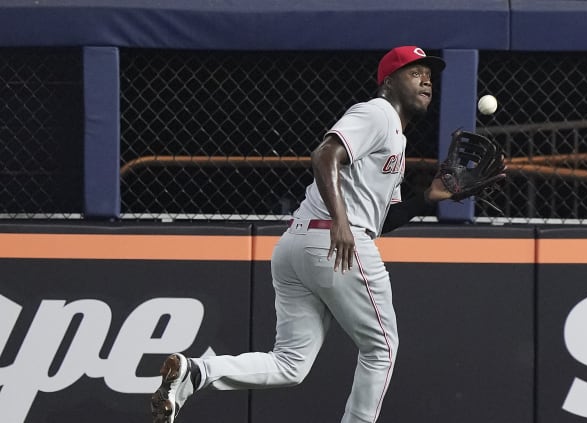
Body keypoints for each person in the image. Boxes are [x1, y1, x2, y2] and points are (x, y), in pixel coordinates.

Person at [151, 45, 460, 423]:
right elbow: (324, 154)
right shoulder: (377, 113)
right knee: (381, 348)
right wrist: (341, 222)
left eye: (428, 74)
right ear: (389, 82)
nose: (426, 79)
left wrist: (428, 197)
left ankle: (196, 372)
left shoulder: (395, 136)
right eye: (414, 72)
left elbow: (385, 219)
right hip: (336, 243)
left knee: (290, 364)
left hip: (298, 244)